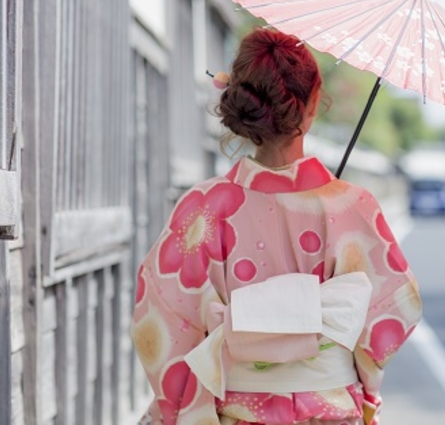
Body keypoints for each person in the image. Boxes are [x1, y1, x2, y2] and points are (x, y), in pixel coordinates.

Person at [131, 28, 422, 425]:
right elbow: (397, 308)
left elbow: (163, 316)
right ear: (314, 103)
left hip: (235, 412)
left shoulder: (201, 209)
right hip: (328, 413)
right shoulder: (354, 206)